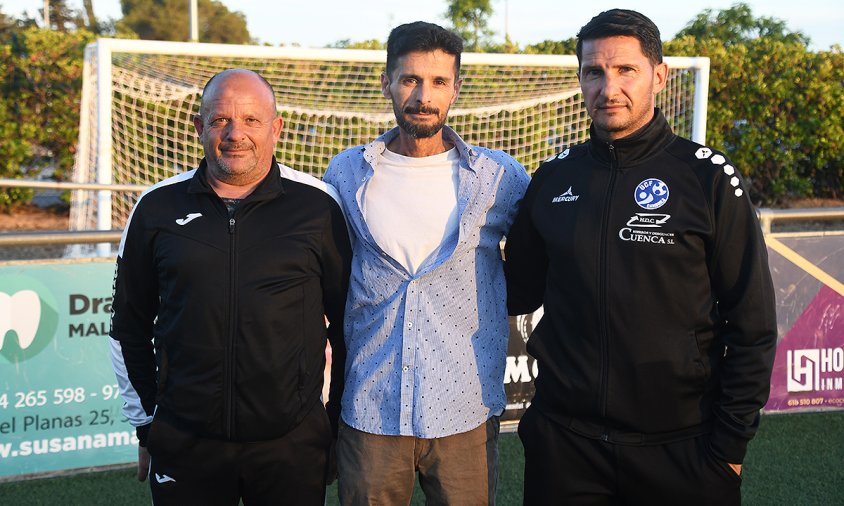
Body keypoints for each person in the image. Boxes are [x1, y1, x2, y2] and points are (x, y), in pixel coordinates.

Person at [504, 9, 777, 505]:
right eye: (594, 71)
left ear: (659, 75)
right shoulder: (552, 179)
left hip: (682, 450)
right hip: (566, 449)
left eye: (625, 69)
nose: (609, 88)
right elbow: (513, 290)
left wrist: (729, 447)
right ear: (581, 78)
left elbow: (753, 323)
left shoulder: (708, 179)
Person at [109, 69, 351, 505]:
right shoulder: (156, 207)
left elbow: (349, 326)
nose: (235, 134)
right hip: (186, 443)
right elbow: (128, 326)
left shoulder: (319, 206)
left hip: (292, 445)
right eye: (220, 120)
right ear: (199, 127)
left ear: (275, 128)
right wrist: (148, 424)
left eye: (251, 120)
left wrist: (332, 424)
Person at [324, 21, 530, 505]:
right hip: (370, 408)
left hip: (465, 407)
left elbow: (542, 259)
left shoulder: (499, 178)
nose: (423, 95)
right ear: (387, 83)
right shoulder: (346, 172)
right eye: (410, 79)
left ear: (456, 88)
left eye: (438, 81)